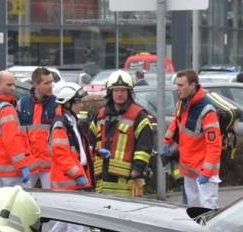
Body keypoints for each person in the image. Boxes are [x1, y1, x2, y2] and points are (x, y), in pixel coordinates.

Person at [88, 70, 154, 197]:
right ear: (110, 92)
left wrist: (137, 169)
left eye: (123, 90)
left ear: (129, 92)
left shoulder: (139, 115)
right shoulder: (100, 114)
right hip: (101, 177)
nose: (119, 94)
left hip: (127, 179)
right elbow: (90, 141)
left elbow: (144, 147)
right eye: (116, 90)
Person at [164, 69, 222, 210]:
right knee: (193, 210)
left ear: (192, 85)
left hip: (204, 172)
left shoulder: (207, 109)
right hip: (189, 168)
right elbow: (176, 125)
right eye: (177, 85)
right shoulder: (181, 104)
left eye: (181, 85)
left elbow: (214, 145)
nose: (177, 89)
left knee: (207, 210)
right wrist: (166, 142)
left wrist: (207, 173)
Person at [44, 82, 93, 232]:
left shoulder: (70, 121)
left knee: (67, 224)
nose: (81, 104)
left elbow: (77, 148)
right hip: (68, 181)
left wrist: (95, 151)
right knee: (72, 224)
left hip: (72, 180)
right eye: (78, 102)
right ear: (67, 103)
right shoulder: (61, 124)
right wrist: (77, 174)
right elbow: (61, 154)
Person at [18, 67, 59, 189]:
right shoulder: (22, 104)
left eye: (51, 82)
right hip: (29, 163)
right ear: (35, 84)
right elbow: (18, 134)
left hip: (50, 164)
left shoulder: (57, 104)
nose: (50, 86)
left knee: (52, 201)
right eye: (46, 83)